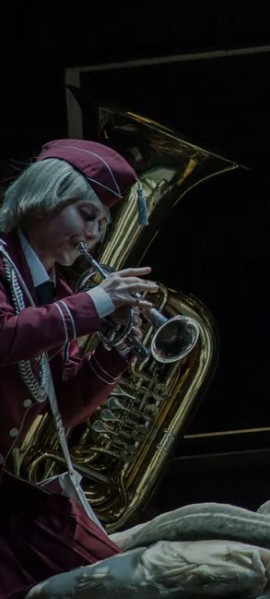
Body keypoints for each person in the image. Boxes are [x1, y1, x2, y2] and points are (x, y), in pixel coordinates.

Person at [0, 139, 158, 598]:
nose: (94, 234)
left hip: (20, 495)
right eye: (87, 215)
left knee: (125, 582)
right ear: (42, 199)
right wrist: (96, 303)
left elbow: (64, 409)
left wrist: (116, 351)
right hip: (13, 501)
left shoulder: (56, 292)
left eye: (102, 224)